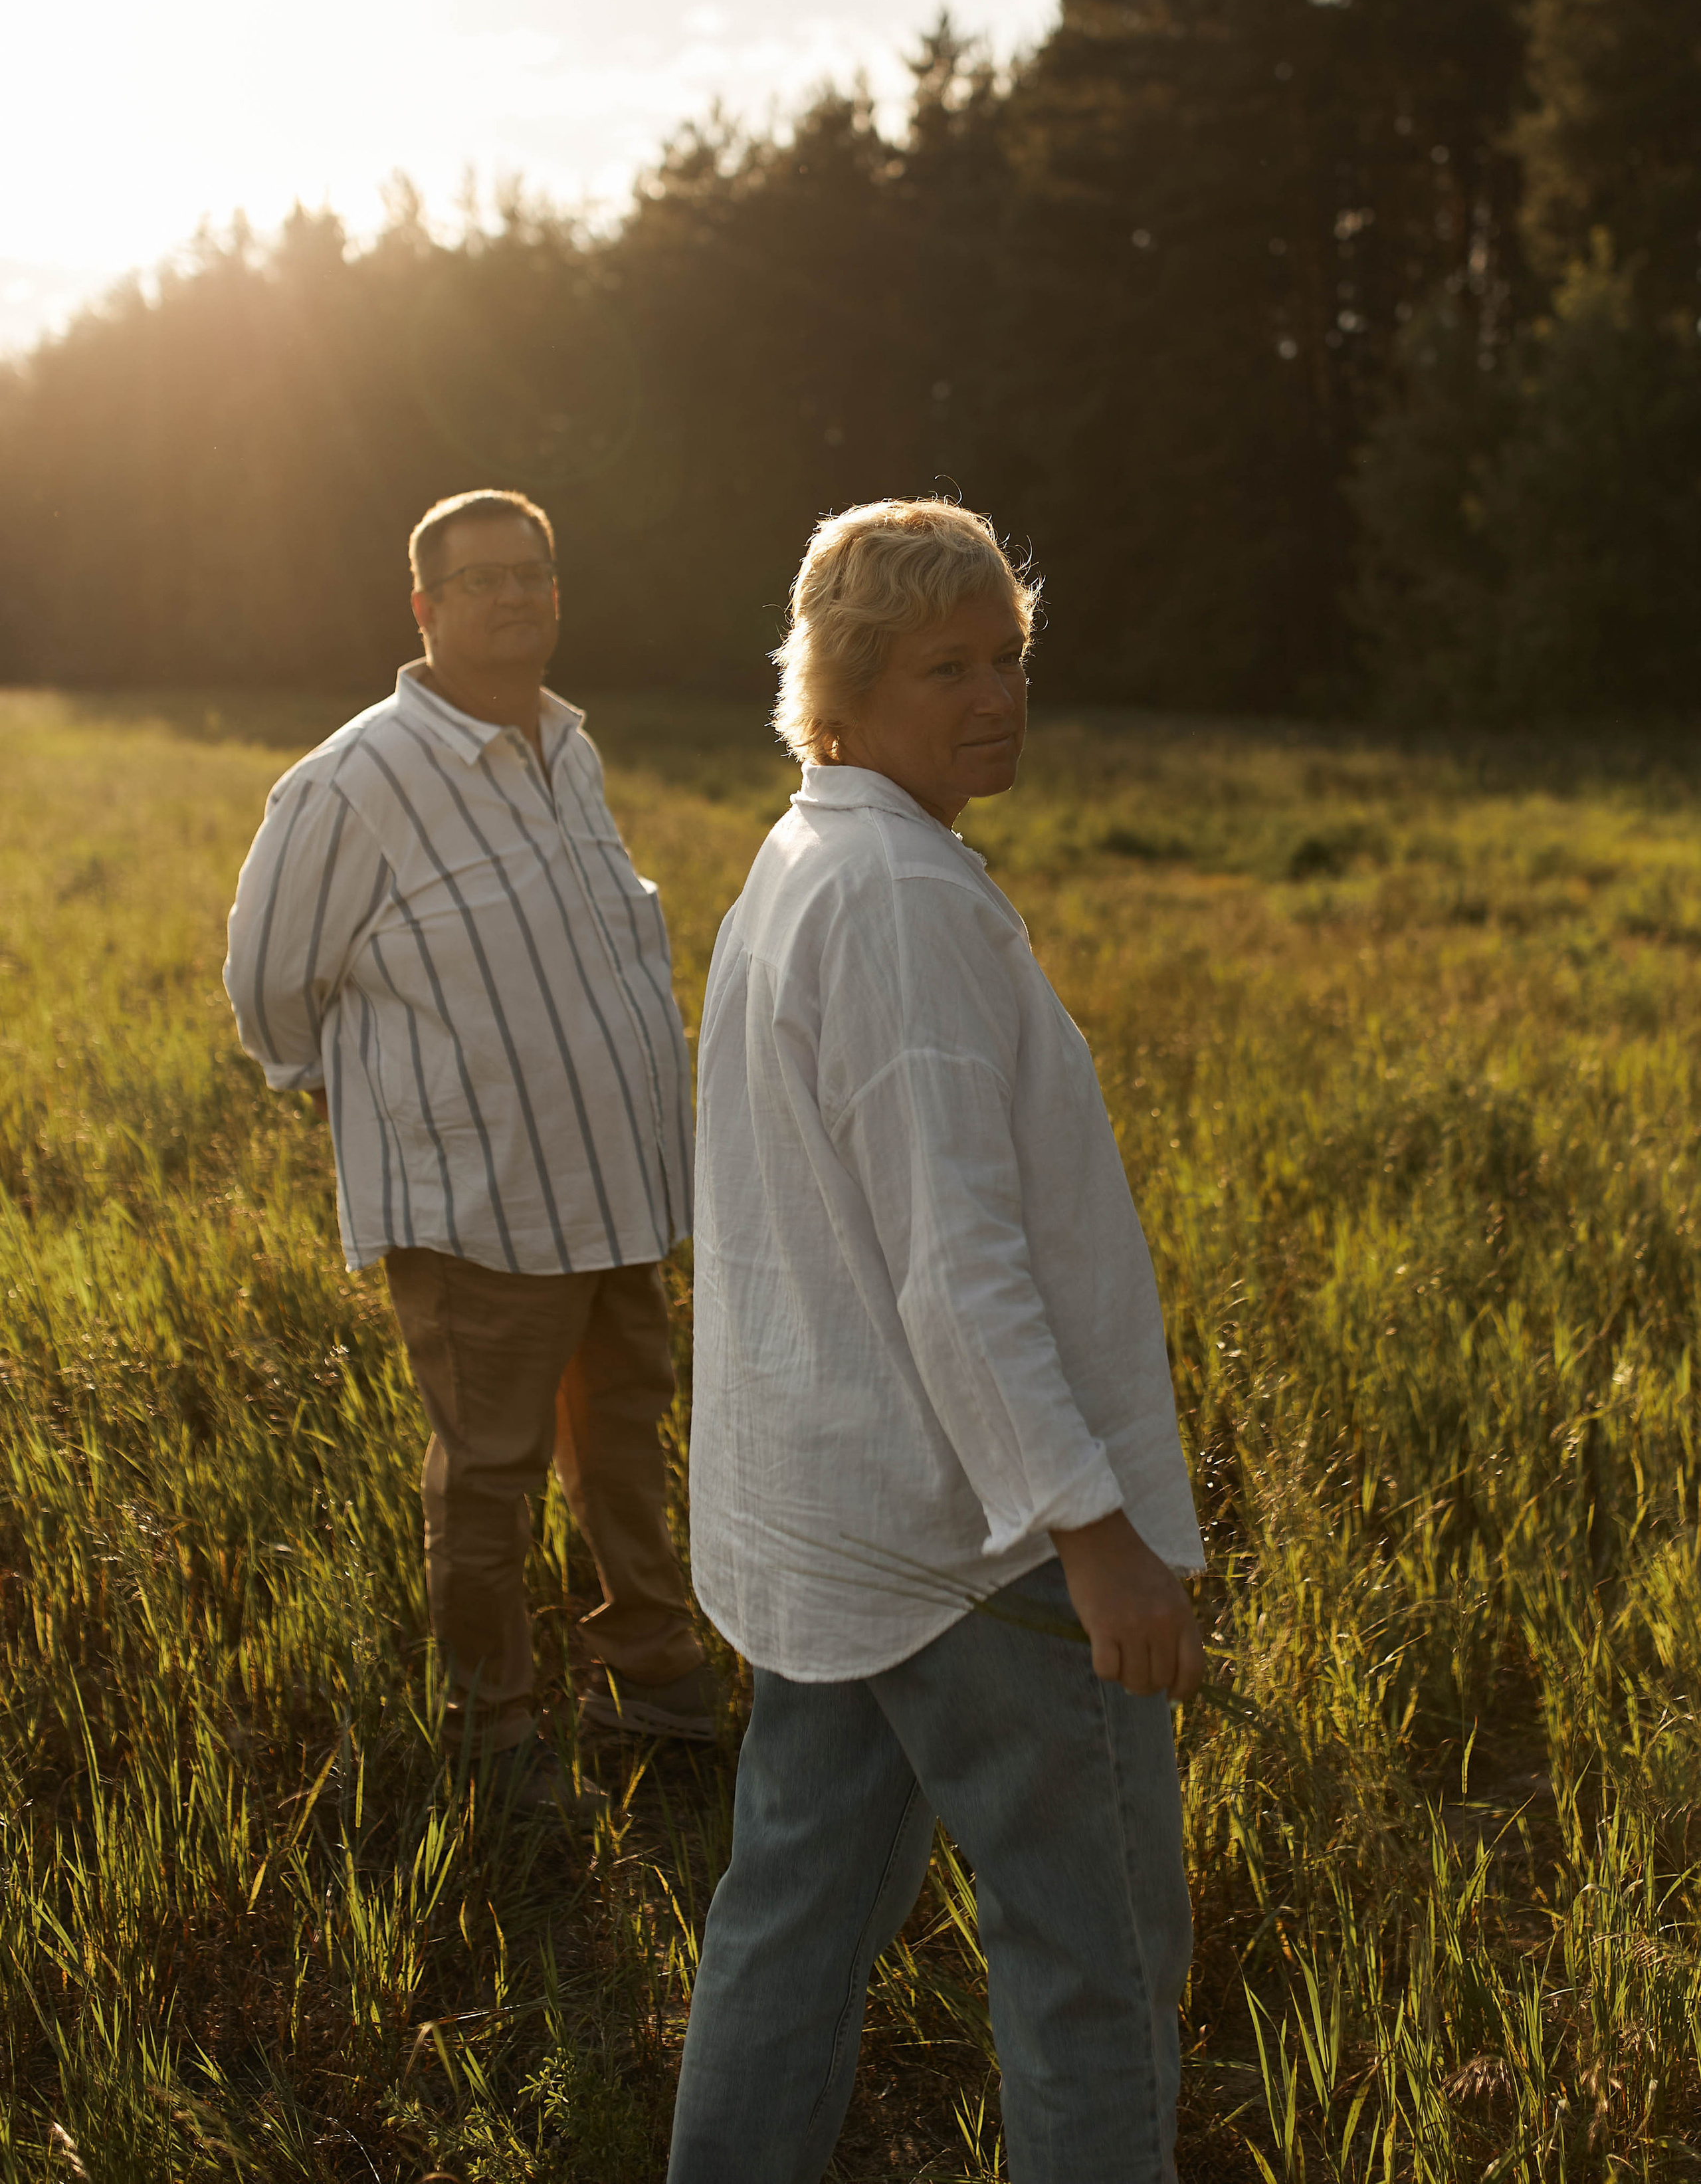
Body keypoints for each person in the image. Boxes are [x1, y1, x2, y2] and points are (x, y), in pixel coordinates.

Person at [668, 499, 1206, 2183]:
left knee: (791, 1918)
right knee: (1094, 1965)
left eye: (1008, 659)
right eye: (944, 668)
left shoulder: (810, 853)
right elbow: (956, 1272)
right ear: (838, 691)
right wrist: (1094, 1537)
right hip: (980, 1547)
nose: (995, 699)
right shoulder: (898, 901)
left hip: (841, 1522)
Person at [225, 488, 716, 1797]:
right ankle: (493, 1737)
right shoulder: (357, 779)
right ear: (424, 607)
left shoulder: (567, 745)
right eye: (480, 579)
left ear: (557, 594)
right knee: (491, 1474)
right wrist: (342, 1098)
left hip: (616, 1183)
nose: (512, 597)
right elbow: (268, 978)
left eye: (531, 574)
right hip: (480, 1201)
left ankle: (657, 1681)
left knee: (625, 1438)